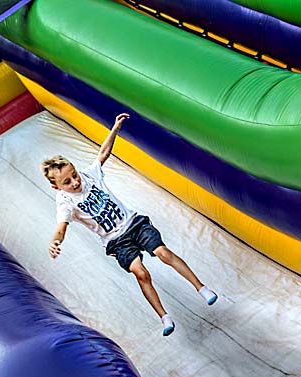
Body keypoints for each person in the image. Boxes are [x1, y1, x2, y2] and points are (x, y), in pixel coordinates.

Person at [43, 112, 217, 337]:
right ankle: (164, 317)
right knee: (141, 273)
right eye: (67, 181)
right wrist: (55, 241)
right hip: (116, 241)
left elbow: (103, 153)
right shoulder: (65, 202)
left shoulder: (88, 176)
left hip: (133, 223)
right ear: (56, 187)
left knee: (163, 253)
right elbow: (62, 226)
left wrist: (114, 128)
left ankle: (201, 288)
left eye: (74, 174)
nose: (75, 181)